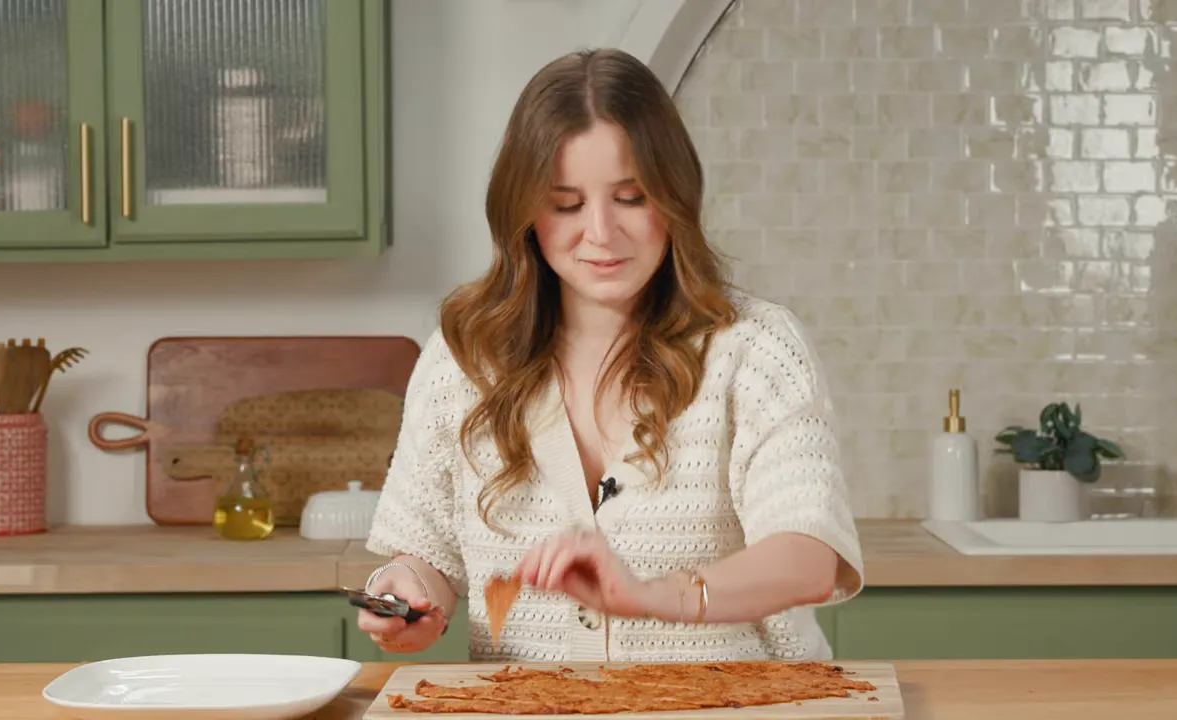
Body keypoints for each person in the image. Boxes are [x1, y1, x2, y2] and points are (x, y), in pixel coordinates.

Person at [358, 47, 863, 663]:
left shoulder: (755, 348)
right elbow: (424, 555)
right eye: (566, 203)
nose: (600, 232)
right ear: (522, 211)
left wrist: (649, 595)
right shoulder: (464, 360)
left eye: (631, 197)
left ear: (676, 196)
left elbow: (809, 559)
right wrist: (406, 592)